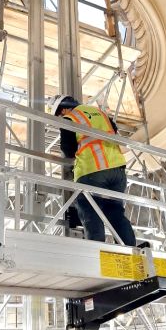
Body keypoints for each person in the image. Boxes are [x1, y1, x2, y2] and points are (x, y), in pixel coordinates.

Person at [48, 94, 136, 246]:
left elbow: (68, 149)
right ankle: (129, 249)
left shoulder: (70, 118)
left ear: (62, 110)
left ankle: (97, 250)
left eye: (58, 115)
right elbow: (114, 131)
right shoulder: (100, 113)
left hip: (93, 169)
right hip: (117, 170)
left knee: (89, 210)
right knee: (115, 212)